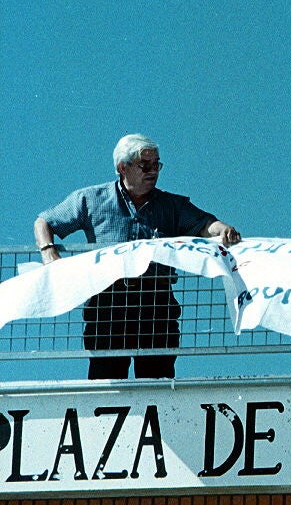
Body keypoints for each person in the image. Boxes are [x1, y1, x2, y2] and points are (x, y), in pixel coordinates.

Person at [33, 134, 242, 379]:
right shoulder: (91, 199)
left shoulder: (171, 205)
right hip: (109, 303)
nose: (153, 171)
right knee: (106, 379)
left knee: (157, 379)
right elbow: (44, 221)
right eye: (145, 165)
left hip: (156, 303)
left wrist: (222, 229)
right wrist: (49, 254)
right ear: (123, 168)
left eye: (157, 165)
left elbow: (205, 224)